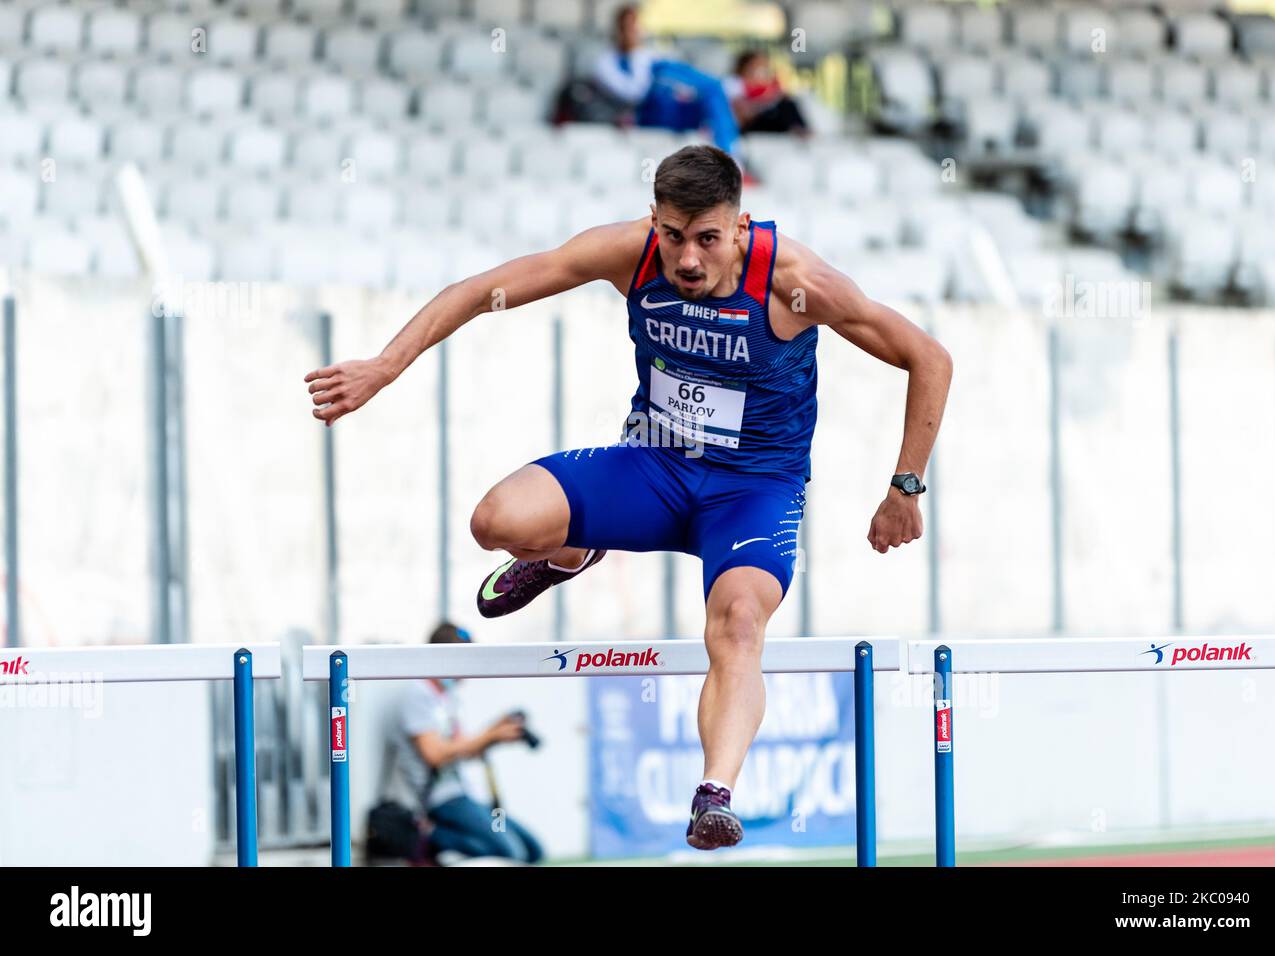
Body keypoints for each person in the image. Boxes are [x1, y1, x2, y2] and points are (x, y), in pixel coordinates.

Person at [305, 145, 953, 851]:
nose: (688, 262)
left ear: (740, 228)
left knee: (737, 623)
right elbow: (479, 290)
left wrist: (905, 486)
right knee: (495, 521)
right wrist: (384, 366)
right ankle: (569, 553)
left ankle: (714, 793)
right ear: (655, 222)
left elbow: (929, 357)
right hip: (653, 467)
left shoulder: (796, 283)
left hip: (752, 490)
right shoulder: (631, 255)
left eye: (708, 239)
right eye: (674, 236)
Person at [384, 621, 544, 864]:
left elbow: (463, 749)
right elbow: (435, 755)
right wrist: (489, 735)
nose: (467, 671)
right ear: (443, 656)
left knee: (533, 850)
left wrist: (496, 732)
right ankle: (431, 835)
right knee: (513, 853)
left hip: (464, 794)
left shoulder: (447, 698)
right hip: (440, 800)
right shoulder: (417, 694)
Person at [591, 4, 743, 164]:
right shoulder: (606, 62)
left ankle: (733, 157)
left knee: (712, 92)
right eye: (628, 27)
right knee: (666, 79)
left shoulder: (651, 55)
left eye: (636, 26)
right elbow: (635, 94)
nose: (634, 32)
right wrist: (637, 57)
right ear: (618, 30)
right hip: (643, 116)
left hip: (671, 108)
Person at [725, 50, 810, 137]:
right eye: (758, 64)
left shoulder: (758, 85)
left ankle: (799, 129)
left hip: (758, 122)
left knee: (786, 103)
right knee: (784, 105)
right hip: (744, 127)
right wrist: (768, 101)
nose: (762, 69)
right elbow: (743, 113)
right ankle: (799, 130)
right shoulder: (734, 83)